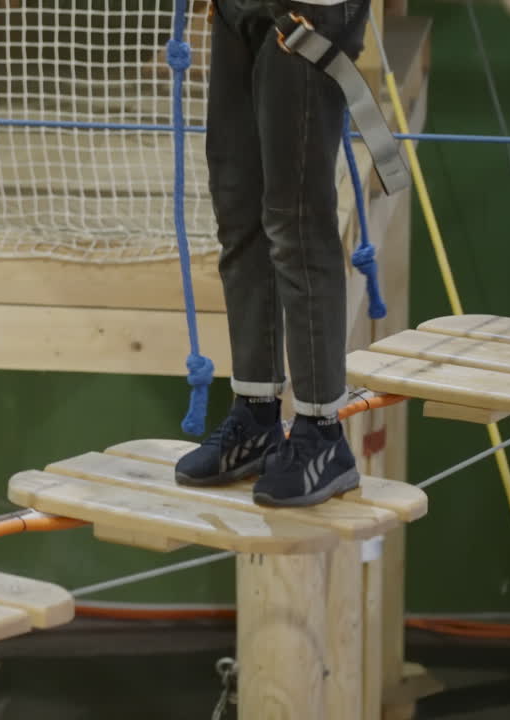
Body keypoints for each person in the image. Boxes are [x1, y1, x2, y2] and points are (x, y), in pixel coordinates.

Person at [173, 0, 371, 506]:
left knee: (296, 223)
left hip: (308, 11)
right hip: (239, 10)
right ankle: (256, 413)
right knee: (239, 211)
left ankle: (321, 433)